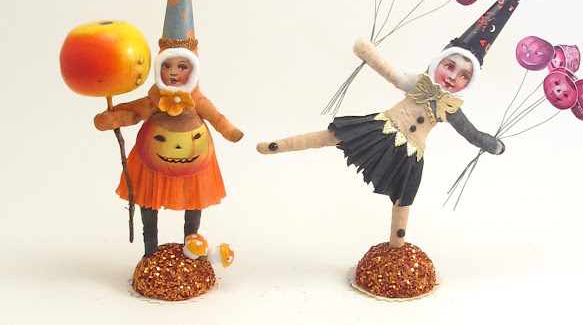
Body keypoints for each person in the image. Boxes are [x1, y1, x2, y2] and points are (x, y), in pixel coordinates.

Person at [257, 38, 503, 248]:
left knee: (403, 198)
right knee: (333, 136)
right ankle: (277, 145)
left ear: (469, 83)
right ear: (438, 62)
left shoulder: (451, 109)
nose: (453, 77)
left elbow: (472, 134)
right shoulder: (418, 83)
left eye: (464, 76)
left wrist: (492, 145)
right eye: (449, 66)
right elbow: (391, 73)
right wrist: (366, 52)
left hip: (410, 153)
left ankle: (397, 247)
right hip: (383, 129)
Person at [95, 47, 243, 257]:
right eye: (166, 66)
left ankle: (191, 248)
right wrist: (111, 118)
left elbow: (217, 119)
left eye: (182, 66)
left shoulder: (198, 101)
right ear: (158, 69)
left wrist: (230, 132)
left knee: (193, 203)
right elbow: (132, 112)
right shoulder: (154, 100)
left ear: (194, 71)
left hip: (194, 162)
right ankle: (150, 251)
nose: (173, 72)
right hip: (152, 162)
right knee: (148, 202)